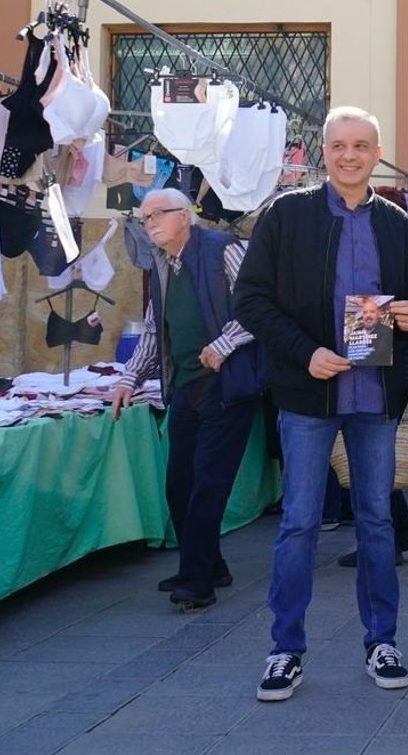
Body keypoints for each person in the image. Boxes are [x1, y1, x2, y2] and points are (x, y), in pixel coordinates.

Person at [233, 106, 408, 702]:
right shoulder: (287, 215)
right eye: (339, 145)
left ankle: (382, 640)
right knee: (298, 525)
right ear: (324, 151)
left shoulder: (395, 223)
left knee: (376, 521)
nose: (349, 155)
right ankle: (284, 650)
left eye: (361, 145)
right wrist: (303, 351)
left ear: (376, 151)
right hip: (308, 395)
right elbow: (251, 300)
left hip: (373, 397)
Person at [110, 188, 260, 610]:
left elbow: (259, 305)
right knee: (179, 484)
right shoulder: (161, 264)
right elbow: (157, 330)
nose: (151, 223)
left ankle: (197, 581)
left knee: (207, 484)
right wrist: (129, 378)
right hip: (187, 386)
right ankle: (209, 564)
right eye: (145, 218)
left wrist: (225, 344)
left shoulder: (223, 249)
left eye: (159, 214)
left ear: (186, 216)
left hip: (227, 386)